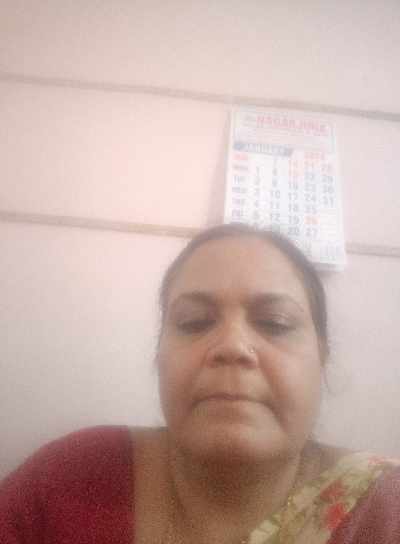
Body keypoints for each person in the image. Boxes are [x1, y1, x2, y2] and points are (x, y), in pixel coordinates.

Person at [1, 223, 399, 544]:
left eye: (274, 323)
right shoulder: (71, 478)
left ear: (322, 356)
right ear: (158, 355)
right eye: (194, 322)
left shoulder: (384, 512)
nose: (232, 346)